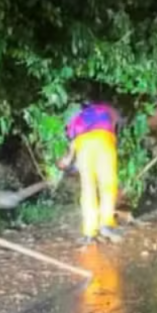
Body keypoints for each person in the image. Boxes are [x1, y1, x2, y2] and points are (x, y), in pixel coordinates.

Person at [58, 102, 123, 244]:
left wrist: (67, 161)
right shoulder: (108, 109)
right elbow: (116, 125)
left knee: (88, 189)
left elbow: (73, 143)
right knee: (107, 185)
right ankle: (106, 225)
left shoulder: (77, 118)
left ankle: (89, 232)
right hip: (104, 141)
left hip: (83, 146)